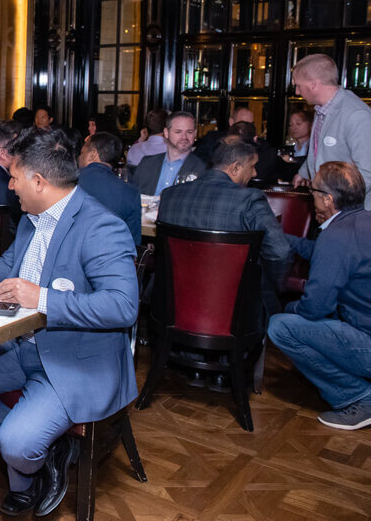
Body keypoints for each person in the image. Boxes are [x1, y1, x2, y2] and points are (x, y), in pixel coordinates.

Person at [0, 130, 138, 518]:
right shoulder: (33, 220)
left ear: (39, 182)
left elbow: (123, 306)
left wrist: (42, 298)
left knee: (16, 441)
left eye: (14, 177)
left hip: (76, 360)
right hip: (24, 346)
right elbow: (13, 283)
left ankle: (25, 469)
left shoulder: (100, 227)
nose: (9, 186)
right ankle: (46, 451)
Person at [268, 162, 371, 430]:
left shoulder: (336, 237)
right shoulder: (362, 223)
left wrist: (287, 308)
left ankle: (359, 396)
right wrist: (281, 237)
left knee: (280, 326)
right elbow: (321, 251)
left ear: (328, 199)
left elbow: (315, 308)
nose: (309, 195)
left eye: (313, 190)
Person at [157, 137, 291, 318]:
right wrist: (276, 284)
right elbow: (280, 251)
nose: (254, 173)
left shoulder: (170, 195)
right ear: (235, 167)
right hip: (231, 309)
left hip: (172, 304)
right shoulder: (249, 200)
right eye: (252, 166)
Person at [291, 54, 371, 208]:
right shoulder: (322, 109)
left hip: (352, 213)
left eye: (298, 85)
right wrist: (304, 173)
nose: (297, 92)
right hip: (330, 208)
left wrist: (335, 202)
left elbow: (368, 172)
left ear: (313, 84)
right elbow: (321, 151)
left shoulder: (356, 115)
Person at [78, 131, 142, 245]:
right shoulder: (131, 193)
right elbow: (133, 244)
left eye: (81, 153)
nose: (79, 157)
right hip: (108, 258)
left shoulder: (66, 182)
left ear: (92, 153)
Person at [131, 111, 206, 196]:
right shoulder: (147, 163)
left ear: (195, 134)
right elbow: (133, 197)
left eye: (189, 132)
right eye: (178, 132)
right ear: (166, 133)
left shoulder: (203, 169)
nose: (184, 137)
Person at [278, 108, 312, 182]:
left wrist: (293, 160)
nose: (293, 128)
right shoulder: (286, 150)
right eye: (290, 125)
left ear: (311, 125)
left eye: (298, 123)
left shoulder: (314, 149)